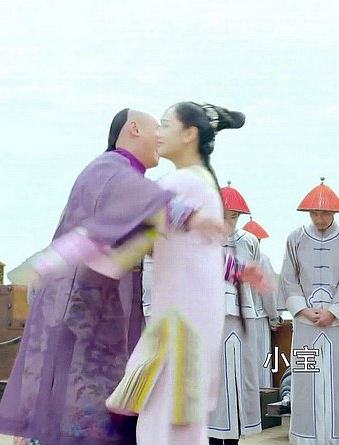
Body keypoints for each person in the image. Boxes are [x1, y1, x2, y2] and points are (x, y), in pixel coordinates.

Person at [0, 108, 224, 445]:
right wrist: (187, 215)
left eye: (166, 127)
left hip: (103, 305)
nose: (159, 135)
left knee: (99, 400)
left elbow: (154, 236)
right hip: (81, 301)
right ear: (135, 129)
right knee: (79, 396)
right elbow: (137, 203)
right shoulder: (110, 168)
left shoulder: (132, 178)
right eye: (157, 126)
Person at [106, 102, 256, 445]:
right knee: (179, 422)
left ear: (189, 134)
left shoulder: (181, 181)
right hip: (191, 321)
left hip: (179, 324)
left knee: (163, 422)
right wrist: (236, 269)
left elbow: (135, 210)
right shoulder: (203, 183)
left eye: (164, 124)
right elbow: (200, 252)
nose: (158, 133)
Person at [280, 178, 339, 445]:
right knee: (305, 379)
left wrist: (335, 311)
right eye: (315, 213)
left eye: (325, 213)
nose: (319, 218)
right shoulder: (295, 238)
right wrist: (303, 310)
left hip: (338, 324)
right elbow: (288, 278)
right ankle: (307, 437)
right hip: (305, 324)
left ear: (334, 212)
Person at [207, 182, 265, 444]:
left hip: (242, 316)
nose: (229, 221)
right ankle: (211, 435)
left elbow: (256, 276)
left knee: (241, 378)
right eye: (224, 215)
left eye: (234, 216)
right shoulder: (203, 239)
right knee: (212, 379)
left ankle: (235, 436)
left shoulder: (249, 241)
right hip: (210, 316)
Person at [242, 216, 284, 388]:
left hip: (238, 318)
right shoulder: (262, 259)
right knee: (261, 363)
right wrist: (275, 317)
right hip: (258, 318)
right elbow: (268, 292)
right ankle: (262, 400)